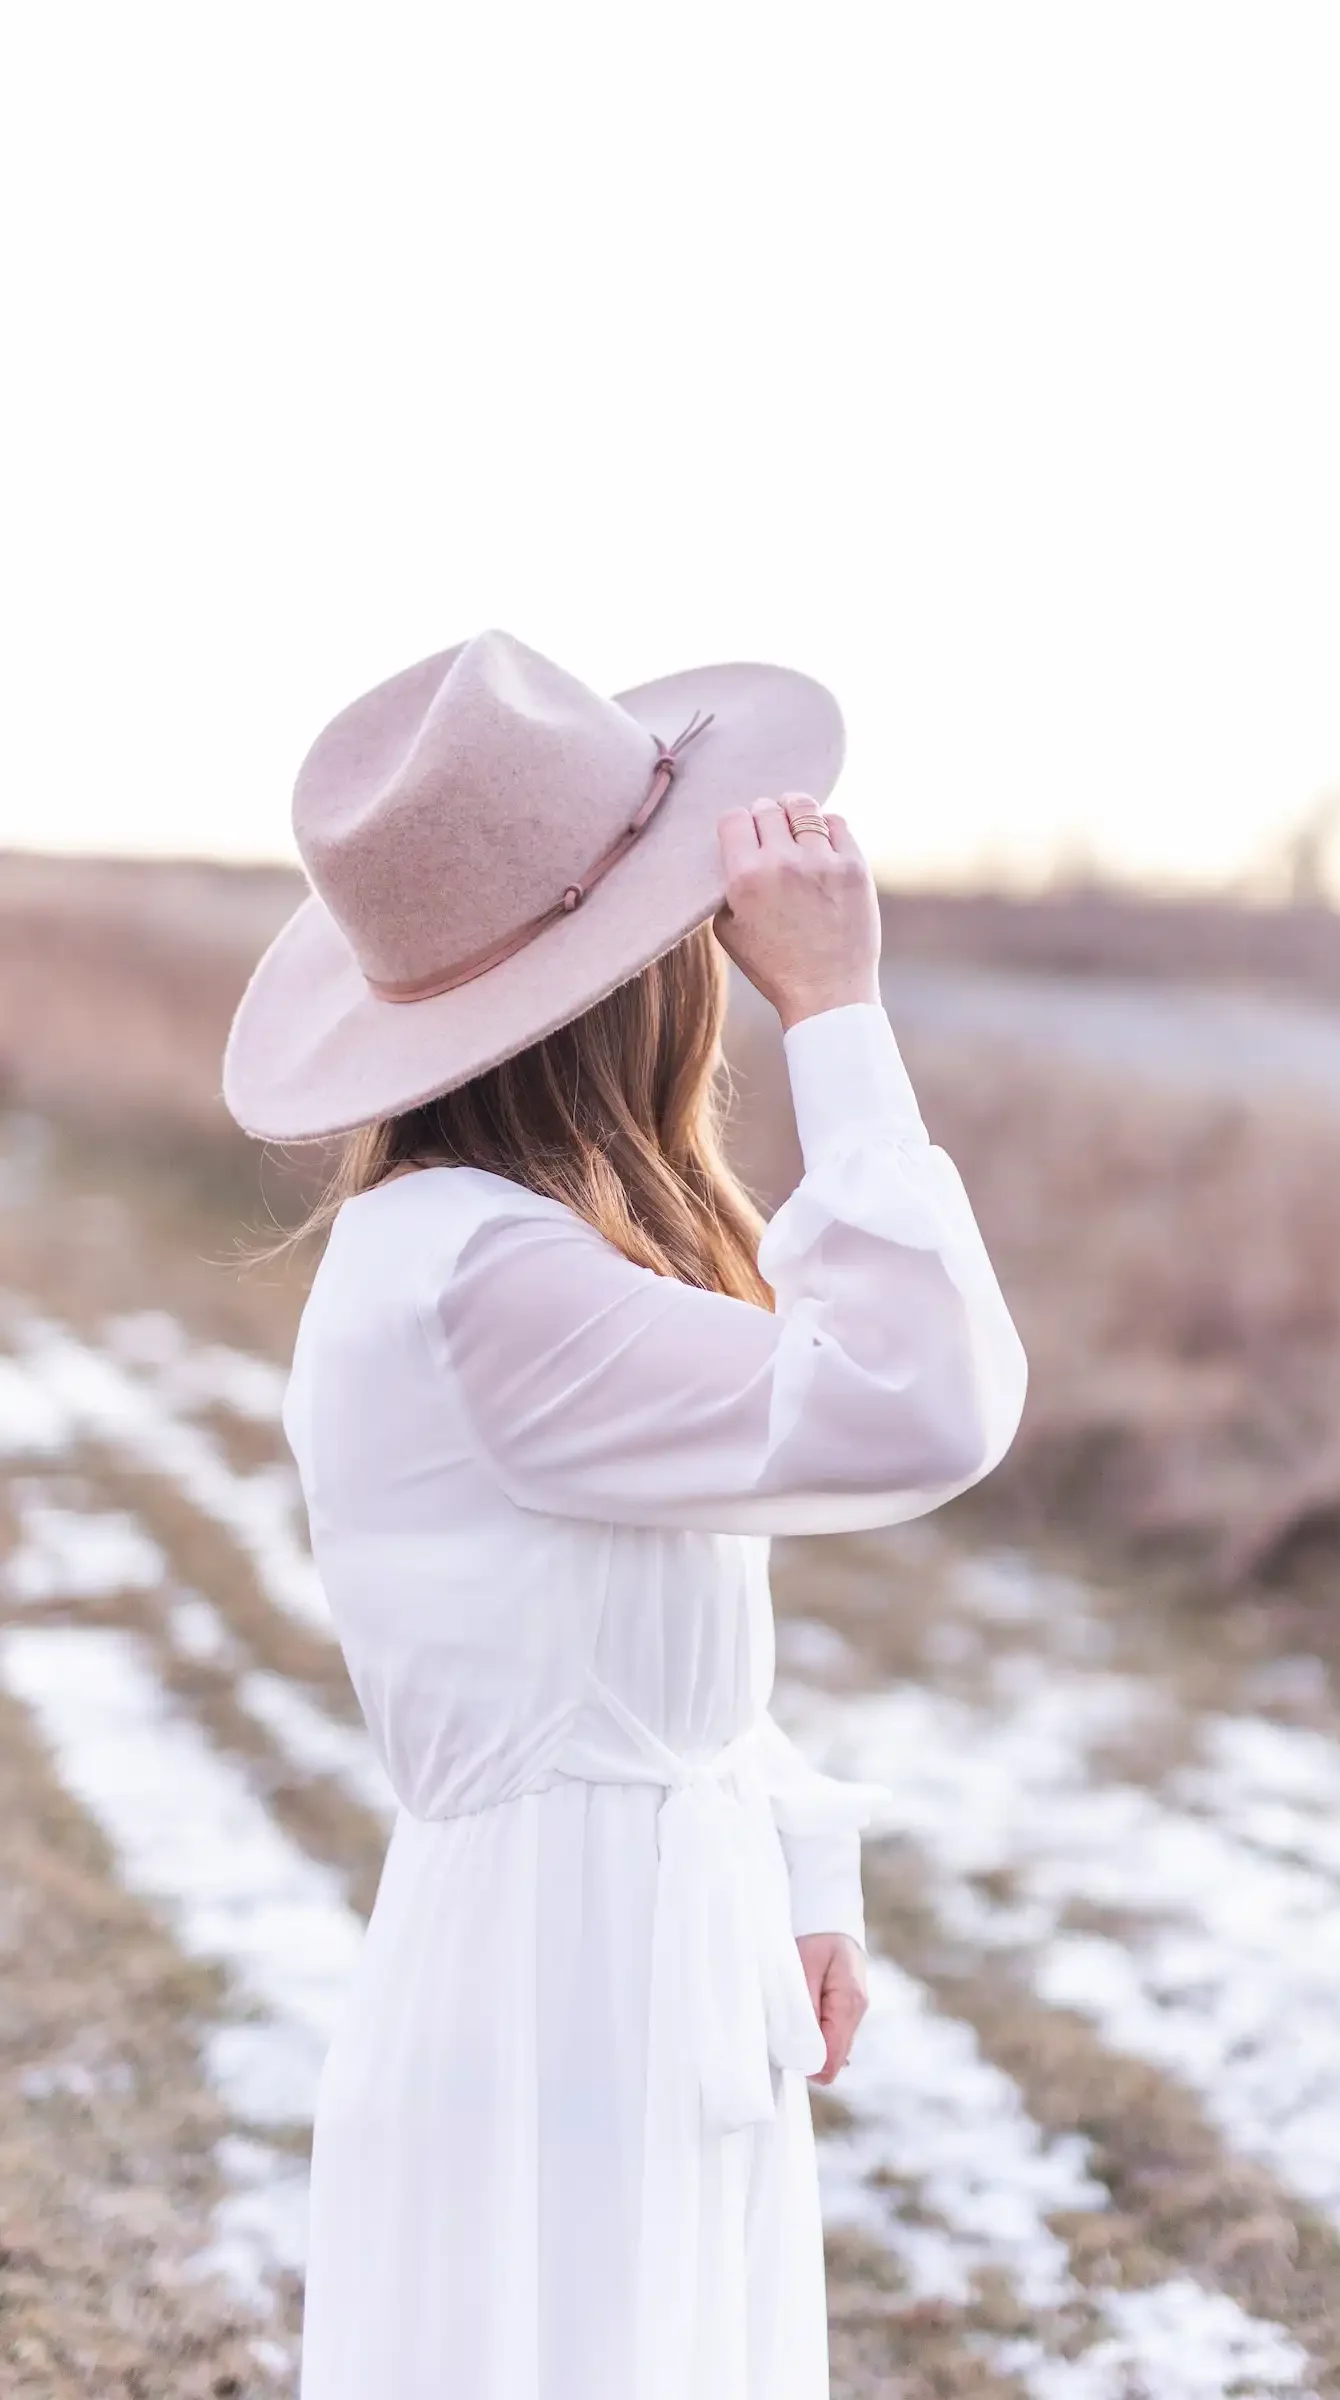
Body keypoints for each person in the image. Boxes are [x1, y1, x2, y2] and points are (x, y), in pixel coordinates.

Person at [222, 630, 1027, 2400]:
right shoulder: (486, 1280)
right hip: (568, 1995)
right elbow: (927, 1402)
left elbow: (602, 1632)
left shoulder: (473, 1246)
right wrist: (839, 1016)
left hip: (627, 1948)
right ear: (641, 978)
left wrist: (795, 1852)